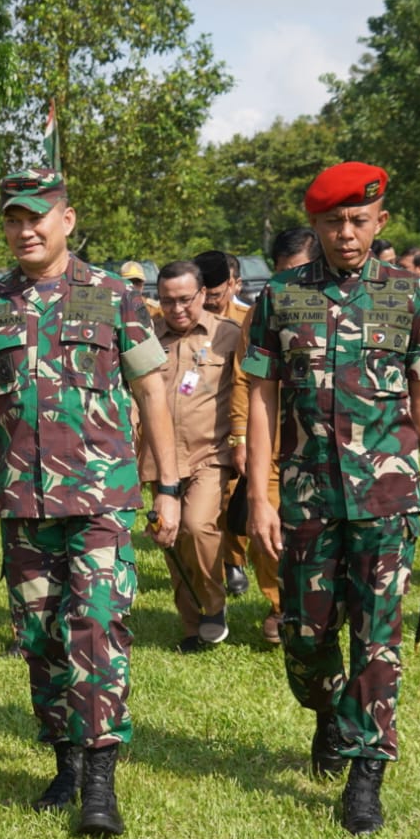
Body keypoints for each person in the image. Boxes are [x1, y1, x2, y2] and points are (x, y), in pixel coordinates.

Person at [0, 167, 181, 839]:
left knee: (96, 629)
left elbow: (153, 390)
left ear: (67, 220)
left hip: (101, 502)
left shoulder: (115, 297)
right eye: (13, 218)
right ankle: (65, 760)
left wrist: (170, 485)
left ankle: (100, 780)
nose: (24, 229)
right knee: (39, 637)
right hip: (24, 504)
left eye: (36, 216)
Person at [244, 161, 420, 836]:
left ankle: (367, 770)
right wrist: (260, 494)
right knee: (305, 637)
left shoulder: (412, 295)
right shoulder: (278, 297)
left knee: (377, 638)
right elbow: (258, 398)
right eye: (333, 222)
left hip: (387, 498)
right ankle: (329, 708)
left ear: (380, 221)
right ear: (315, 225)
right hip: (306, 496)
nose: (346, 233)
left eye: (359, 220)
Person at [142, 259, 244, 652]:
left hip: (210, 454)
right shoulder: (146, 337)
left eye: (186, 299)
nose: (177, 309)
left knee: (198, 527)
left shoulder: (229, 336)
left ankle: (213, 605)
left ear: (203, 294)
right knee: (172, 541)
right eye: (167, 301)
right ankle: (191, 624)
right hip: (160, 457)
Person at [230, 227, 318, 643]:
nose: (289, 281)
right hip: (270, 440)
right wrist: (241, 438)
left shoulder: (341, 309)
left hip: (320, 442)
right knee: (263, 522)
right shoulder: (263, 308)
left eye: (298, 271)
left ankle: (316, 605)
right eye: (282, 272)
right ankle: (280, 606)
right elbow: (245, 380)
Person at [194, 250, 252, 597]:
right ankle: (223, 564)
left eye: (217, 295)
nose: (213, 302)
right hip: (203, 425)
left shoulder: (248, 319)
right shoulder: (190, 321)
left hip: (239, 425)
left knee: (236, 499)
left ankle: (235, 561)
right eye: (207, 296)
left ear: (234, 284)